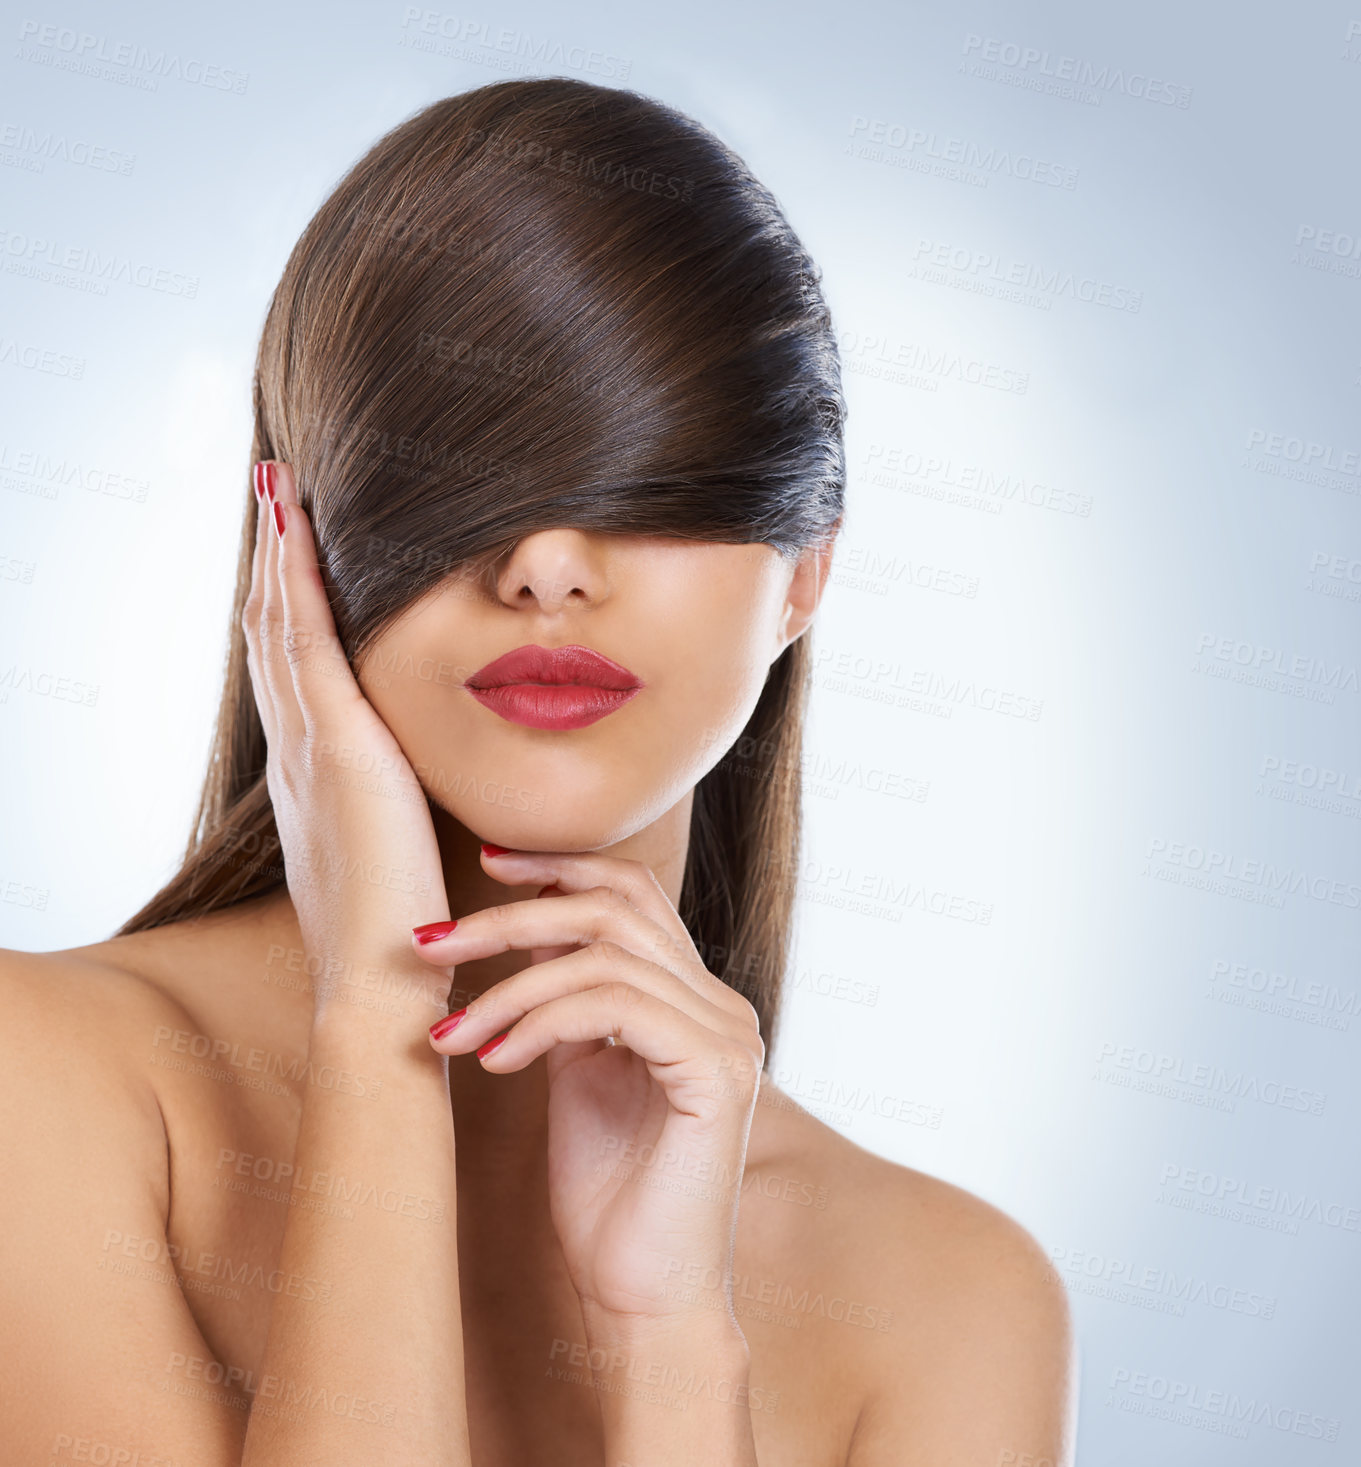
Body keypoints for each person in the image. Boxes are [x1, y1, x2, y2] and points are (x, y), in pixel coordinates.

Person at [0, 77, 1075, 1464]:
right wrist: (378, 1025)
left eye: (649, 480)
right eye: (459, 482)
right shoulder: (44, 1091)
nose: (547, 567)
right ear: (297, 541)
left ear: (805, 571)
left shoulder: (950, 1303)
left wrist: (669, 1344)